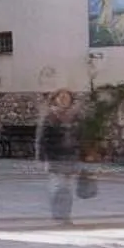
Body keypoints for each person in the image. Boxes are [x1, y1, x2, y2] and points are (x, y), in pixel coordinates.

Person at [35, 88, 80, 223]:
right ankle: (59, 215)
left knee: (68, 189)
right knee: (58, 187)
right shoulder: (50, 117)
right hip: (55, 157)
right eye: (61, 98)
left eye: (67, 98)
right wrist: (42, 157)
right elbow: (42, 138)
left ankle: (66, 215)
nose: (64, 100)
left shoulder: (76, 118)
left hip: (71, 157)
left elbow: (83, 136)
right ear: (55, 100)